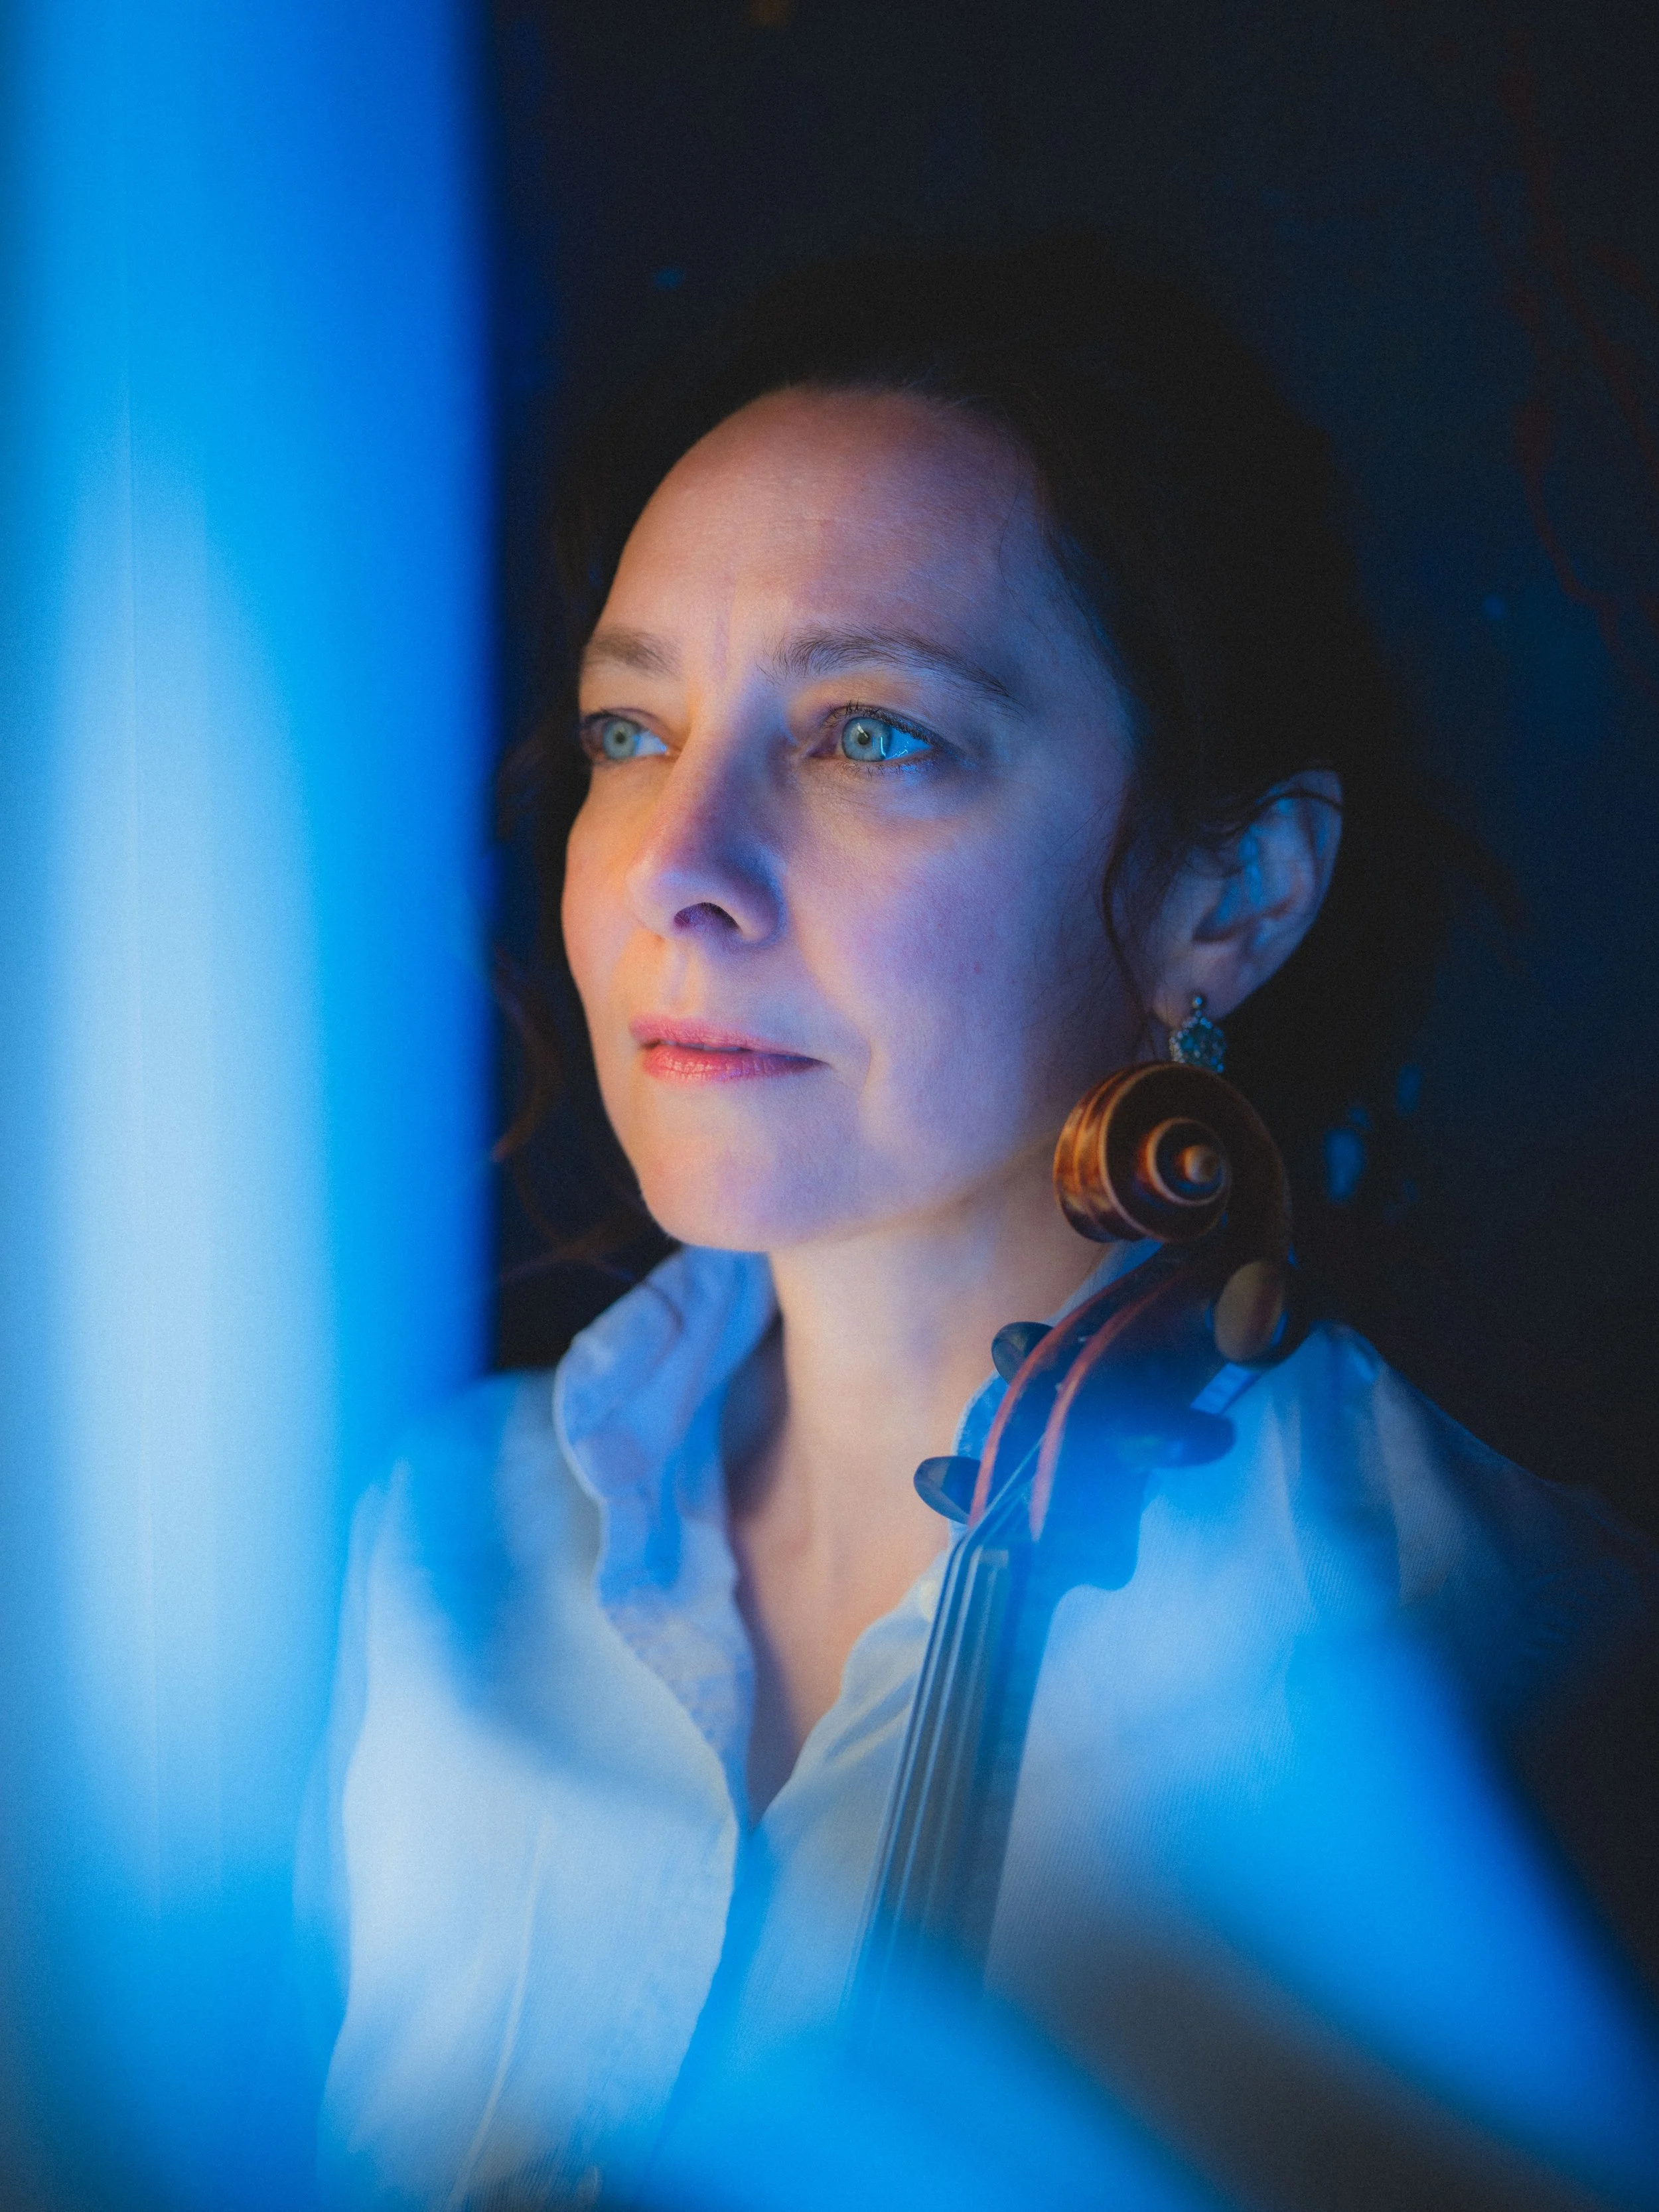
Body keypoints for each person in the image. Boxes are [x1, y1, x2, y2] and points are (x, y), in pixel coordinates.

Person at [299, 242, 1659, 2211]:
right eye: (629, 731)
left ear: (1237, 894)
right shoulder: (423, 1559)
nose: (678, 868)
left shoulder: (1480, 1648)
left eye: (872, 734)